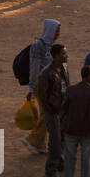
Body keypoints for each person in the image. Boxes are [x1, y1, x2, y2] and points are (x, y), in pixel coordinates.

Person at [23, 19, 61, 155]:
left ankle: (39, 143)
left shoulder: (50, 45)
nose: (57, 34)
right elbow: (34, 67)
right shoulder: (38, 46)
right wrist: (32, 88)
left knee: (46, 114)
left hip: (49, 85)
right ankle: (33, 140)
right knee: (47, 115)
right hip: (41, 85)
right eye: (56, 31)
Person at [35, 42, 69, 177]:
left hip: (62, 109)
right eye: (63, 53)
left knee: (61, 139)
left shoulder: (64, 68)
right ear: (55, 56)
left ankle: (59, 162)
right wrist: (52, 110)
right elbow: (43, 95)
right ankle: (51, 169)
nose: (66, 55)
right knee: (55, 140)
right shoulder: (46, 73)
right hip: (52, 111)